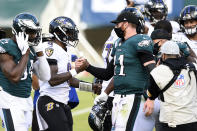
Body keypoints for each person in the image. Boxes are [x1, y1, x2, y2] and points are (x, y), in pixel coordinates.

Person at [76, 8, 156, 131]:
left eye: (118, 24)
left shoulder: (140, 40)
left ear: (125, 24)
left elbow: (153, 72)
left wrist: (151, 98)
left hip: (132, 96)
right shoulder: (119, 43)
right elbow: (108, 74)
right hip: (118, 97)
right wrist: (88, 66)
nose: (116, 27)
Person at [36, 16, 101, 131]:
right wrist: (76, 70)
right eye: (68, 32)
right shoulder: (50, 49)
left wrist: (91, 87)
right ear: (57, 32)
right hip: (49, 100)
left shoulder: (64, 50)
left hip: (62, 103)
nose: (71, 35)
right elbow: (52, 80)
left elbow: (69, 80)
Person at [0, 13, 51, 131]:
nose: (34, 35)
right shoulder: (5, 46)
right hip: (9, 99)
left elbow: (46, 76)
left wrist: (40, 53)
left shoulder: (31, 48)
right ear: (20, 32)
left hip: (26, 99)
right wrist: (25, 54)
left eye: (35, 32)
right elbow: (14, 77)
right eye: (31, 32)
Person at [144, 41, 197, 131]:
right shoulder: (192, 68)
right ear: (178, 54)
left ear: (163, 55)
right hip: (192, 120)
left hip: (171, 122)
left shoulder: (158, 71)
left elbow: (151, 94)